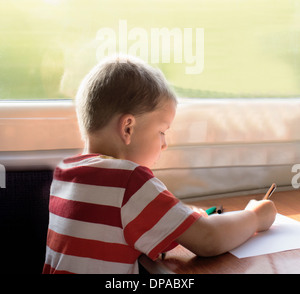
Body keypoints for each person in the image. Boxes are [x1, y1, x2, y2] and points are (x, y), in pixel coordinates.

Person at [43, 55, 276, 274]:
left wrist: (177, 222)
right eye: (162, 131)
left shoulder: (65, 175)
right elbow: (209, 240)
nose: (164, 144)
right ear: (128, 128)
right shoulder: (128, 181)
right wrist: (254, 216)